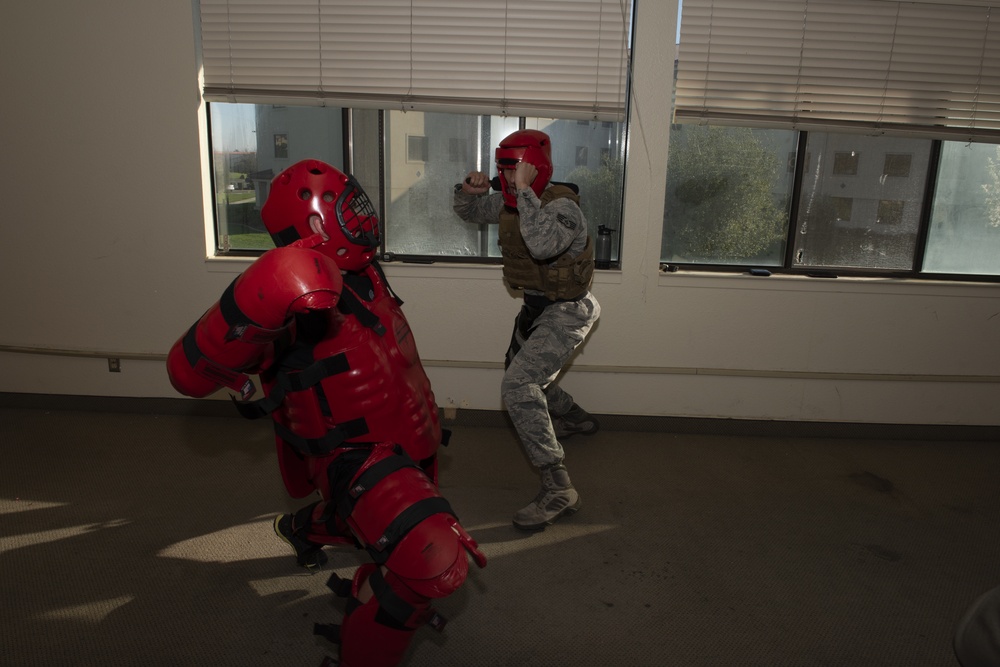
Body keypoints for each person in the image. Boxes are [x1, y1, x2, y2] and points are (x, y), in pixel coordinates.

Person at [167, 159, 486, 667]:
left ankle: (303, 529)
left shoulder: (365, 269)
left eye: (358, 201)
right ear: (317, 224)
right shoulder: (291, 295)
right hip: (356, 453)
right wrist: (261, 295)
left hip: (412, 438)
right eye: (349, 207)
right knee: (429, 559)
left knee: (365, 527)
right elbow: (186, 374)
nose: (363, 215)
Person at [453, 128, 601, 532]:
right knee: (520, 370)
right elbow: (468, 212)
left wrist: (524, 193)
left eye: (514, 168)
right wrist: (469, 190)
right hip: (536, 307)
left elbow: (542, 244)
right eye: (504, 168)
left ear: (536, 167)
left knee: (519, 385)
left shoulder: (564, 207)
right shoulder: (508, 200)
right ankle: (574, 417)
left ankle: (558, 488)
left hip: (568, 311)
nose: (508, 176)